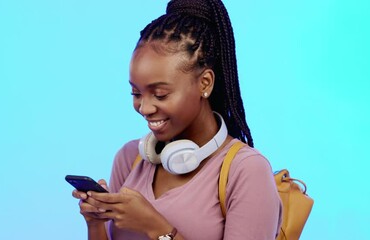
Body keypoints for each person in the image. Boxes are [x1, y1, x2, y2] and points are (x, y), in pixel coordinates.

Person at [72, 0, 282, 239]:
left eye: (160, 94)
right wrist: (95, 223)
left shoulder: (246, 170)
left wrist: (157, 227)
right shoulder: (130, 158)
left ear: (205, 83)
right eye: (136, 93)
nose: (145, 107)